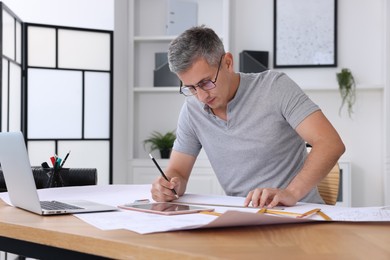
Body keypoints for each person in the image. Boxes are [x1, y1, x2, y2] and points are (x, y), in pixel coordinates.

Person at [151, 25, 345, 208]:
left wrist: (291, 193)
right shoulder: (192, 111)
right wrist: (169, 186)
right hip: (244, 218)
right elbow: (178, 172)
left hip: (299, 213)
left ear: (227, 63)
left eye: (206, 82)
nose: (201, 96)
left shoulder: (275, 87)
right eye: (191, 88)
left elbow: (330, 143)